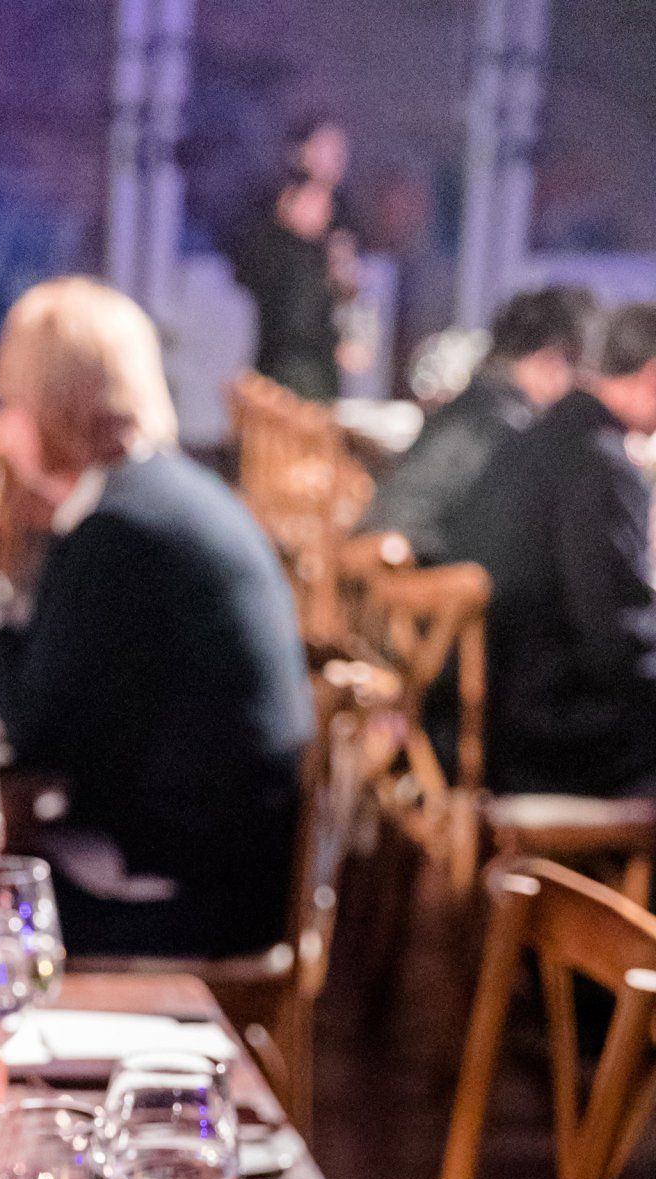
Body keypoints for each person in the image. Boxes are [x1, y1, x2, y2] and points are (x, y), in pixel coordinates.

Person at [0, 277, 313, 960]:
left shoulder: (123, 530)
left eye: (5, 398)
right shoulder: (155, 497)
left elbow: (37, 732)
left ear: (41, 409)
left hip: (194, 894)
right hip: (220, 863)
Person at [448, 302, 656, 795]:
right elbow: (614, 645)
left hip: (482, 717)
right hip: (543, 739)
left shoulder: (536, 437)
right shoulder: (599, 463)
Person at [365, 284, 601, 562]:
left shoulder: (474, 405)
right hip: (436, 582)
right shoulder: (504, 428)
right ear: (549, 359)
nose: (580, 384)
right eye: (579, 369)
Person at [233, 172, 344, 403]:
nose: (326, 211)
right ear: (288, 201)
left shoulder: (273, 250)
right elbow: (298, 323)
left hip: (276, 370)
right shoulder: (295, 257)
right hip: (297, 376)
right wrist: (336, 342)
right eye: (316, 201)